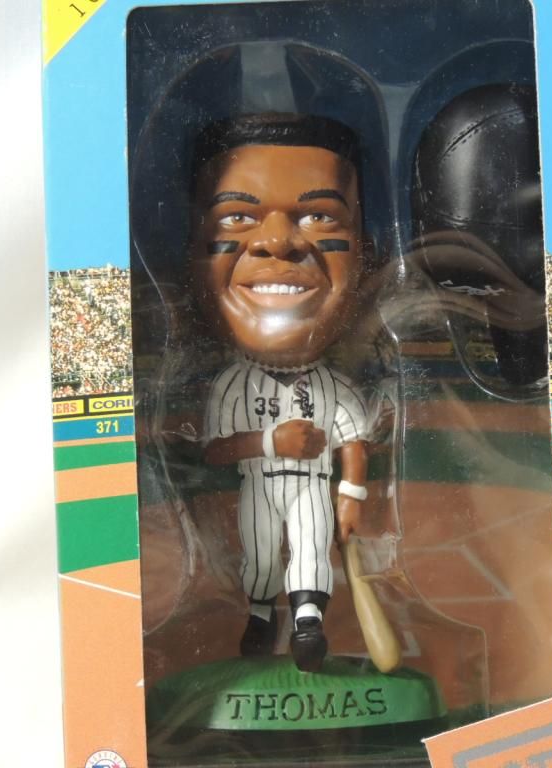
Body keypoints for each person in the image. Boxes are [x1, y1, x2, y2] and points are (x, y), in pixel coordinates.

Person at [190, 113, 371, 673]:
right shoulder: (233, 382)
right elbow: (215, 451)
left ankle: (308, 621)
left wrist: (351, 495)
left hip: (313, 485)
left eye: (319, 216)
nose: (275, 241)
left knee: (313, 545)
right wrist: (271, 442)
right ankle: (260, 612)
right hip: (260, 483)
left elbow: (354, 442)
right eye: (238, 217)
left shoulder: (333, 384)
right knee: (261, 553)